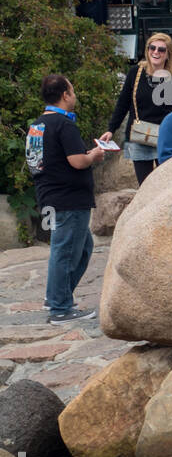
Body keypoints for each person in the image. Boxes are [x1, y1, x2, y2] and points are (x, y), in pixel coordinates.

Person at [27, 75, 104, 324]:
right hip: (69, 199)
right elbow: (77, 161)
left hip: (48, 196)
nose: (74, 95)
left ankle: (57, 296)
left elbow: (36, 162)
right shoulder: (64, 124)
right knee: (66, 251)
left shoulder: (36, 125)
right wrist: (94, 155)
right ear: (65, 95)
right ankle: (60, 307)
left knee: (80, 248)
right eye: (72, 90)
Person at [102, 33, 172, 185]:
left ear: (168, 54)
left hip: (164, 137)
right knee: (145, 186)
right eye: (152, 48)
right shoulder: (135, 73)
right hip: (139, 135)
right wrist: (111, 129)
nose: (156, 52)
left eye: (161, 50)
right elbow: (123, 103)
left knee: (167, 185)